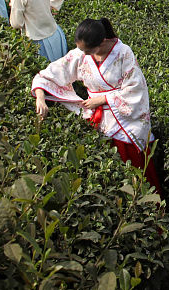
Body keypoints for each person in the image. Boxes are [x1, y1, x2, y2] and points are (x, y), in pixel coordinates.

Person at [32, 18, 160, 191]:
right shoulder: (81, 54)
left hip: (125, 119)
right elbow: (52, 73)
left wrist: (104, 99)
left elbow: (136, 88)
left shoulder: (123, 53)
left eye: (88, 50)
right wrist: (40, 96)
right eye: (82, 50)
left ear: (102, 42)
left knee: (134, 168)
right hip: (98, 117)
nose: (84, 54)